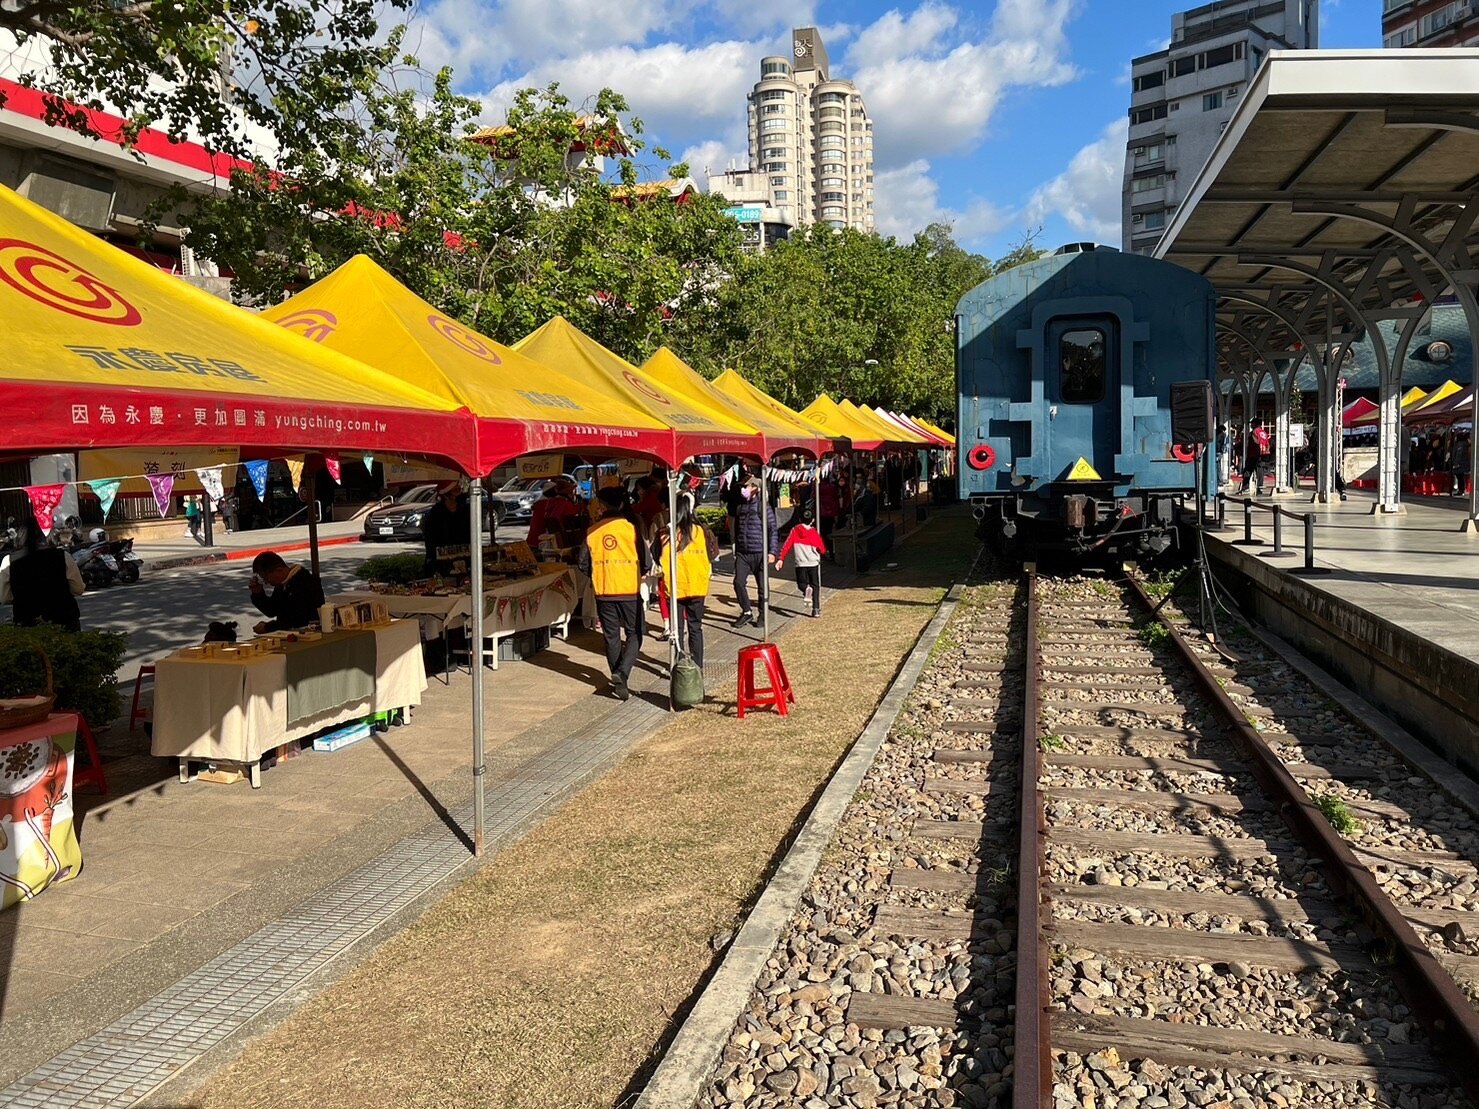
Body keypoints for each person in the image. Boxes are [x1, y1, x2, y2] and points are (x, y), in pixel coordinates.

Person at [579, 487, 650, 700]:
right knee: (635, 632)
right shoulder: (631, 528)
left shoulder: (592, 531)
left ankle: (619, 677)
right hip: (629, 590)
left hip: (604, 590)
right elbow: (646, 561)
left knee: (611, 636)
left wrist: (599, 574)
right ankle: (623, 672)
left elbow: (583, 563)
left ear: (602, 506)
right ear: (621, 504)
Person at [653, 493, 717, 668]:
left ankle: (678, 666)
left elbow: (655, 555)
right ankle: (697, 667)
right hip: (697, 586)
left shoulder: (665, 533)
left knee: (677, 629)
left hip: (675, 587)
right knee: (695, 627)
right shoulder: (702, 531)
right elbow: (712, 554)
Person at [0, 508, 84, 631]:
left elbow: (4, 597)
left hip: (28, 625)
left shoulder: (9, 561)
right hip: (64, 621)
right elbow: (78, 588)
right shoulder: (62, 556)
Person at [729, 474, 777, 628]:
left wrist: (772, 552)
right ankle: (747, 611)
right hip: (743, 553)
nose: (745, 489)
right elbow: (736, 528)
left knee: (762, 586)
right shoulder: (740, 507)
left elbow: (773, 529)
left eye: (748, 486)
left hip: (759, 552)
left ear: (756, 489)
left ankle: (763, 613)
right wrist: (735, 546)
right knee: (738, 582)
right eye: (745, 486)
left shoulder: (764, 507)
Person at [249, 551, 325, 633]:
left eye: (266, 578)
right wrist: (258, 594)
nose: (266, 582)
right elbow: (272, 610)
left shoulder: (305, 582)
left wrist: (268, 627)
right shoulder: (282, 584)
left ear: (279, 570)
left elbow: (297, 619)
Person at [777, 504, 827, 618]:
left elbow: (787, 545)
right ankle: (816, 609)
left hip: (800, 562)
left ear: (799, 519)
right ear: (813, 520)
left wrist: (781, 558)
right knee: (815, 585)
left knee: (801, 583)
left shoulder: (794, 530)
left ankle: (806, 590)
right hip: (813, 562)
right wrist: (822, 552)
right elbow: (822, 549)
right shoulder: (814, 532)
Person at [422, 483, 470, 574]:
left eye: (459, 490)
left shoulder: (466, 511)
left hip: (465, 561)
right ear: (445, 496)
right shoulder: (434, 514)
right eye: (454, 491)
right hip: (441, 565)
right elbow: (430, 543)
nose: (456, 499)